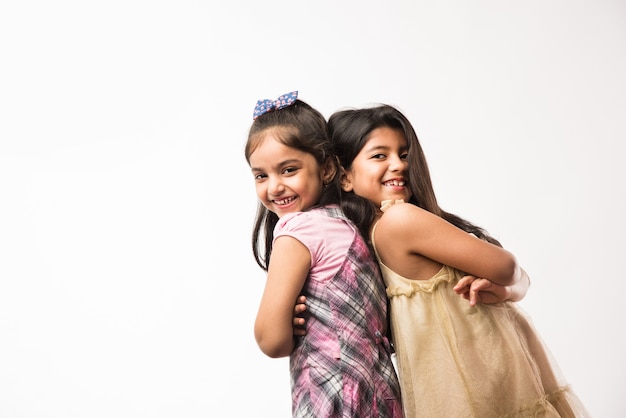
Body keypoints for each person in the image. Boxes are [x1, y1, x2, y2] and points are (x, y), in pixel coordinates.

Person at [324, 103, 590, 417]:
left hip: (488, 381)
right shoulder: (400, 221)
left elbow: (517, 279)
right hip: (477, 386)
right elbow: (506, 267)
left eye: (405, 154)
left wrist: (506, 290)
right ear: (344, 177)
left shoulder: (386, 229)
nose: (398, 164)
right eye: (380, 155)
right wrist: (509, 279)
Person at [245, 91, 403, 418]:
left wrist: (284, 326)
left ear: (328, 168)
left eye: (288, 170)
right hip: (380, 391)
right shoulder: (350, 223)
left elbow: (271, 340)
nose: (274, 187)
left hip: (332, 394)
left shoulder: (296, 231)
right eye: (261, 175)